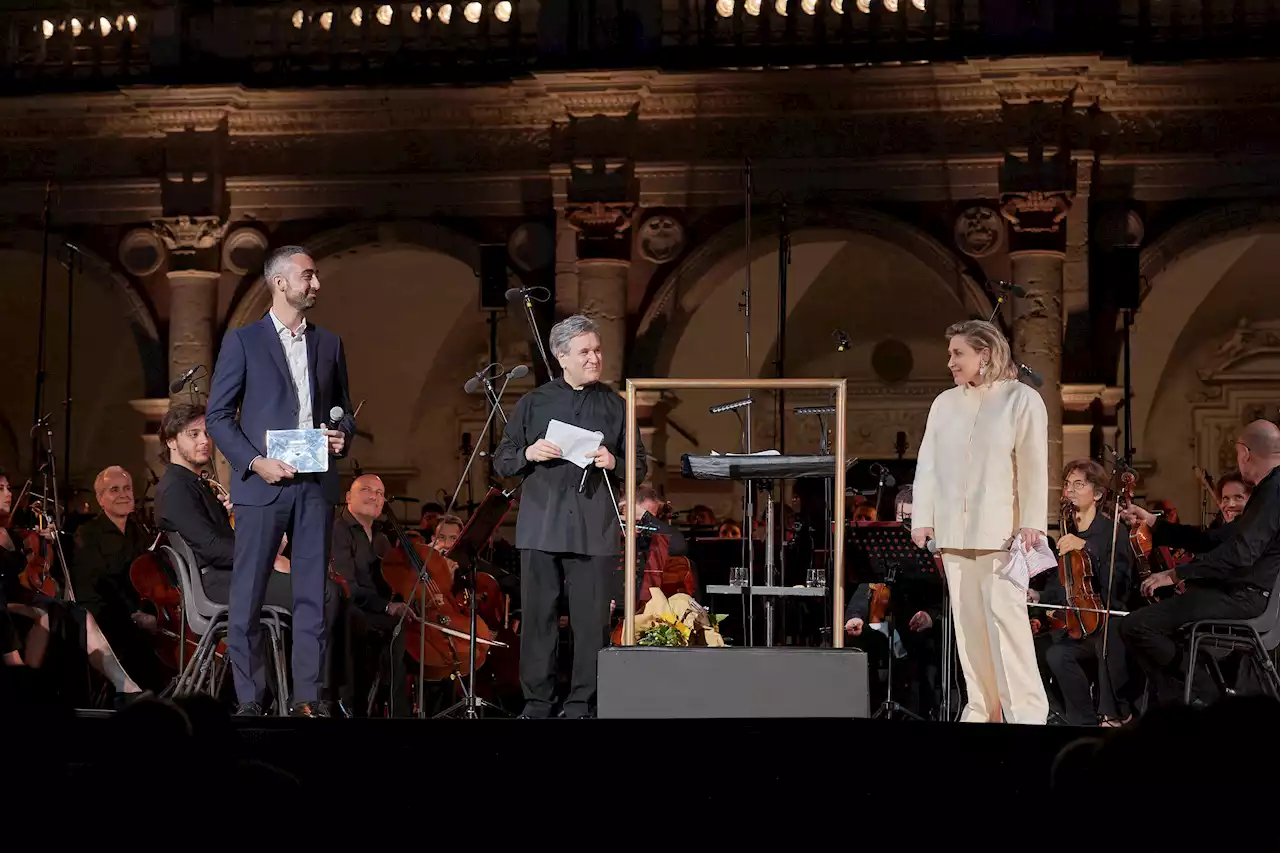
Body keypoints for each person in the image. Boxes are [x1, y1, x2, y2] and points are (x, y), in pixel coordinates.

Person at [206, 245, 355, 718]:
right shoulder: (243, 341)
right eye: (308, 276)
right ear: (280, 282)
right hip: (263, 485)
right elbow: (217, 417)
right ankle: (251, 698)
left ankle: (306, 698)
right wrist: (254, 462)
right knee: (247, 592)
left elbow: (345, 411)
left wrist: (341, 436)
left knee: (313, 592)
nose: (316, 284)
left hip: (315, 484)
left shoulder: (329, 343)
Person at [492, 314, 647, 719]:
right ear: (562, 356)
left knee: (591, 624)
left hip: (594, 527)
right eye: (585, 352)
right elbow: (503, 459)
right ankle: (538, 703)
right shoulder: (534, 402)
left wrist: (614, 460)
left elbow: (641, 467)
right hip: (541, 525)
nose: (595, 358)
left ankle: (582, 704)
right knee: (539, 622)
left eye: (597, 350)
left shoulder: (615, 405)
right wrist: (530, 452)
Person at [911, 319, 1050, 725]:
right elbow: (929, 465)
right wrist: (923, 518)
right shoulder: (944, 403)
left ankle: (1025, 714)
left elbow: (1033, 465)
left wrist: (1031, 522)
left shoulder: (1020, 399)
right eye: (951, 354)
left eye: (958, 354)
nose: (950, 362)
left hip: (1000, 533)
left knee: (1006, 627)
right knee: (969, 630)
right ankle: (981, 710)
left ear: (984, 354)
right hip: (955, 534)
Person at [1119, 420, 1280, 707]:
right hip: (1243, 595)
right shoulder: (1269, 491)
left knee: (1138, 625)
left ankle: (1206, 699)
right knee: (1151, 623)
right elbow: (1213, 540)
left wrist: (1177, 573)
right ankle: (1195, 698)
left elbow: (1241, 554)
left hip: (1245, 599)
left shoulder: (1274, 491)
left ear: (1244, 453)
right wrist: (1154, 522)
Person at [0, 468, 144, 703]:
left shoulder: (9, 532)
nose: (8, 494)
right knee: (46, 612)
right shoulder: (89, 533)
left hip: (17, 595)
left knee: (78, 614)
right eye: (1, 489)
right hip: (6, 600)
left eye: (8, 488)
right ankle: (24, 685)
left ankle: (127, 686)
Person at [1031, 459, 1133, 726]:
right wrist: (1039, 597)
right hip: (1077, 624)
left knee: (1103, 645)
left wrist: (1087, 547)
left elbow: (1120, 582)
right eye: (1067, 484)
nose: (1070, 490)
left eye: (1079, 484)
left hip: (1106, 623)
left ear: (1097, 494)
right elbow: (1062, 583)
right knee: (1049, 652)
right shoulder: (1068, 531)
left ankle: (1115, 715)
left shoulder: (1113, 532)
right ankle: (1078, 721)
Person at [845, 485, 943, 719]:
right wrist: (855, 615)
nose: (905, 525)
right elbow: (868, 584)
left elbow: (945, 597)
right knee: (858, 645)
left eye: (911, 519)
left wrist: (930, 616)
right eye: (902, 518)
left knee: (922, 654)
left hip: (929, 625)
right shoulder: (886, 546)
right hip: (893, 621)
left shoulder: (938, 548)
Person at [71, 465, 166, 692]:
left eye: (127, 488)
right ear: (100, 499)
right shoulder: (88, 534)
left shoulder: (140, 531)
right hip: (111, 622)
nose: (123, 494)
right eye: (114, 489)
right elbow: (94, 590)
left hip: (146, 619)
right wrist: (134, 618)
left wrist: (155, 615)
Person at [330, 474, 411, 717]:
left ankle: (397, 709)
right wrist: (387, 607)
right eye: (367, 490)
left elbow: (396, 581)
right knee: (392, 627)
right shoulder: (338, 530)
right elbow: (346, 585)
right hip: (349, 611)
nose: (375, 497)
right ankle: (369, 707)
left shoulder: (382, 538)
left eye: (379, 493)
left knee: (406, 626)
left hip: (375, 611)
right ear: (348, 498)